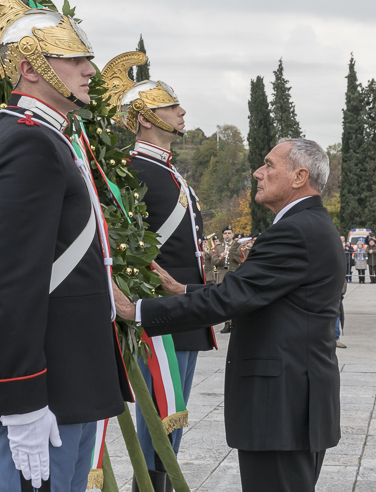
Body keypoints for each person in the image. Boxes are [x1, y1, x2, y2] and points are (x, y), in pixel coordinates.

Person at [0, 0, 132, 489]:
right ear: (27, 67)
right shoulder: (27, 141)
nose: (90, 69)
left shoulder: (47, 136)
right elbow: (11, 283)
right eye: (74, 58)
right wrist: (23, 399)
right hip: (47, 389)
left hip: (69, 379)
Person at [116, 138, 341, 492]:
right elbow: (251, 292)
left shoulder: (294, 231)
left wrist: (136, 310)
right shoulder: (307, 224)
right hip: (291, 405)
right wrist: (184, 289)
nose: (258, 173)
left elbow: (231, 299)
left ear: (299, 176)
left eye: (269, 165)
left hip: (281, 409)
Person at [103, 52, 216, 490]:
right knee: (159, 421)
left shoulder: (168, 172)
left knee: (172, 421)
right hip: (157, 313)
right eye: (172, 106)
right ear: (145, 118)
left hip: (180, 311)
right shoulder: (133, 171)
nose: (182, 111)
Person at [213, 226, 243, 333]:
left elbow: (242, 259)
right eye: (225, 233)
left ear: (233, 234)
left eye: (229, 233)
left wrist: (232, 251)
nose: (227, 235)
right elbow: (213, 261)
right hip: (222, 274)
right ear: (222, 235)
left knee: (235, 297)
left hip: (234, 273)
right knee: (224, 298)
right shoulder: (218, 247)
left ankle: (236, 322)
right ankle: (227, 323)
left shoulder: (238, 245)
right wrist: (221, 257)